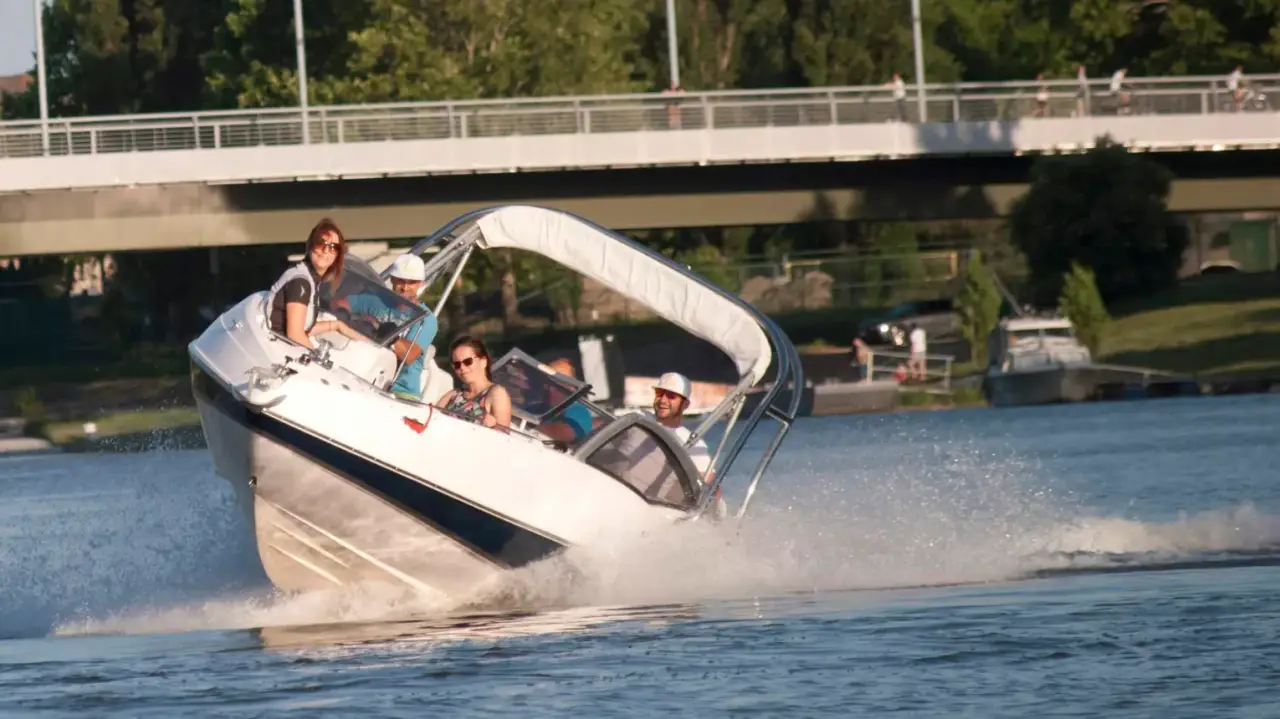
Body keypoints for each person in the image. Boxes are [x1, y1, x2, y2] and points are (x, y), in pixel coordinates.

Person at [337, 254, 438, 401]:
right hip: (363, 372)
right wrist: (356, 320)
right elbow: (339, 304)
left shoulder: (427, 319)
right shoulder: (377, 300)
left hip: (401, 390)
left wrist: (381, 329)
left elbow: (409, 356)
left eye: (412, 282)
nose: (405, 287)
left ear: (421, 283)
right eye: (400, 281)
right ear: (391, 279)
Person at [267, 218, 364, 349]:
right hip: (276, 347)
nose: (326, 251)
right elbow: (295, 335)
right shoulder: (301, 282)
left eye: (333, 247)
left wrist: (336, 325)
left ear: (338, 255)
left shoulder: (309, 277)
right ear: (310, 245)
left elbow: (304, 327)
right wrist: (316, 356)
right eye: (320, 243)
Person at [437, 335, 512, 429]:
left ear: (483, 362)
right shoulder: (453, 395)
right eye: (457, 364)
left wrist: (492, 429)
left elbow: (504, 439)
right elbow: (431, 418)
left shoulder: (497, 393)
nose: (462, 367)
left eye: (468, 361)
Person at [538, 357, 595, 446]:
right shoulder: (538, 406)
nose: (552, 386)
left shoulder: (578, 410)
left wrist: (531, 424)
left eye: (562, 381)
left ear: (573, 387)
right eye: (549, 379)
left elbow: (565, 434)